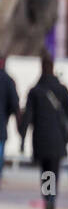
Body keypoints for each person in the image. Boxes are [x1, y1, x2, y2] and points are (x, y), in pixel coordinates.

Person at [18, 52, 68, 209]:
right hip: (57, 138)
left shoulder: (34, 91)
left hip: (40, 138)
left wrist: (22, 138)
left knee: (45, 172)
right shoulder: (61, 89)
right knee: (54, 170)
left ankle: (48, 198)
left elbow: (27, 117)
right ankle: (51, 198)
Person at [0, 56, 21, 185]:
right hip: (1, 126)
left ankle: (49, 197)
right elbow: (15, 105)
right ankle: (49, 198)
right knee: (49, 172)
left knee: (48, 172)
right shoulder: (8, 81)